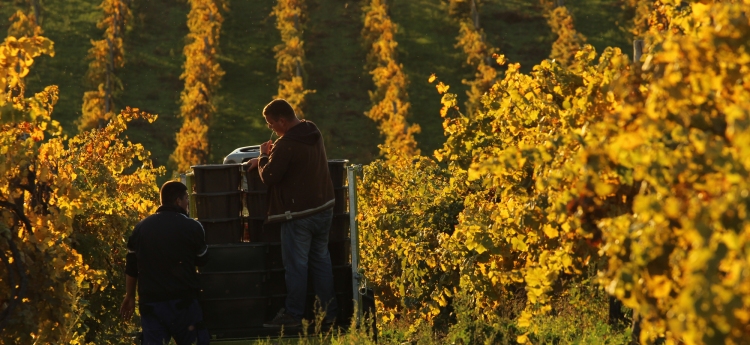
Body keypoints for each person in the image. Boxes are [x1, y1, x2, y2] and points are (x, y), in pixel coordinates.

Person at [245, 99, 338, 328]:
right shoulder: (311, 129)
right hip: (324, 208)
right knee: (321, 263)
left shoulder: (287, 144)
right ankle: (329, 315)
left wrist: (263, 157)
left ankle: (294, 315)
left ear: (283, 121)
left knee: (296, 266)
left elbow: (269, 177)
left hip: (299, 215)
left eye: (271, 124)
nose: (271, 129)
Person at [120, 181, 210, 344]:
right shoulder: (192, 227)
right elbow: (202, 259)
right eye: (186, 199)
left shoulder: (141, 228)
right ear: (178, 201)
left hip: (151, 303)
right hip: (183, 303)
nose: (187, 204)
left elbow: (131, 267)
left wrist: (130, 295)